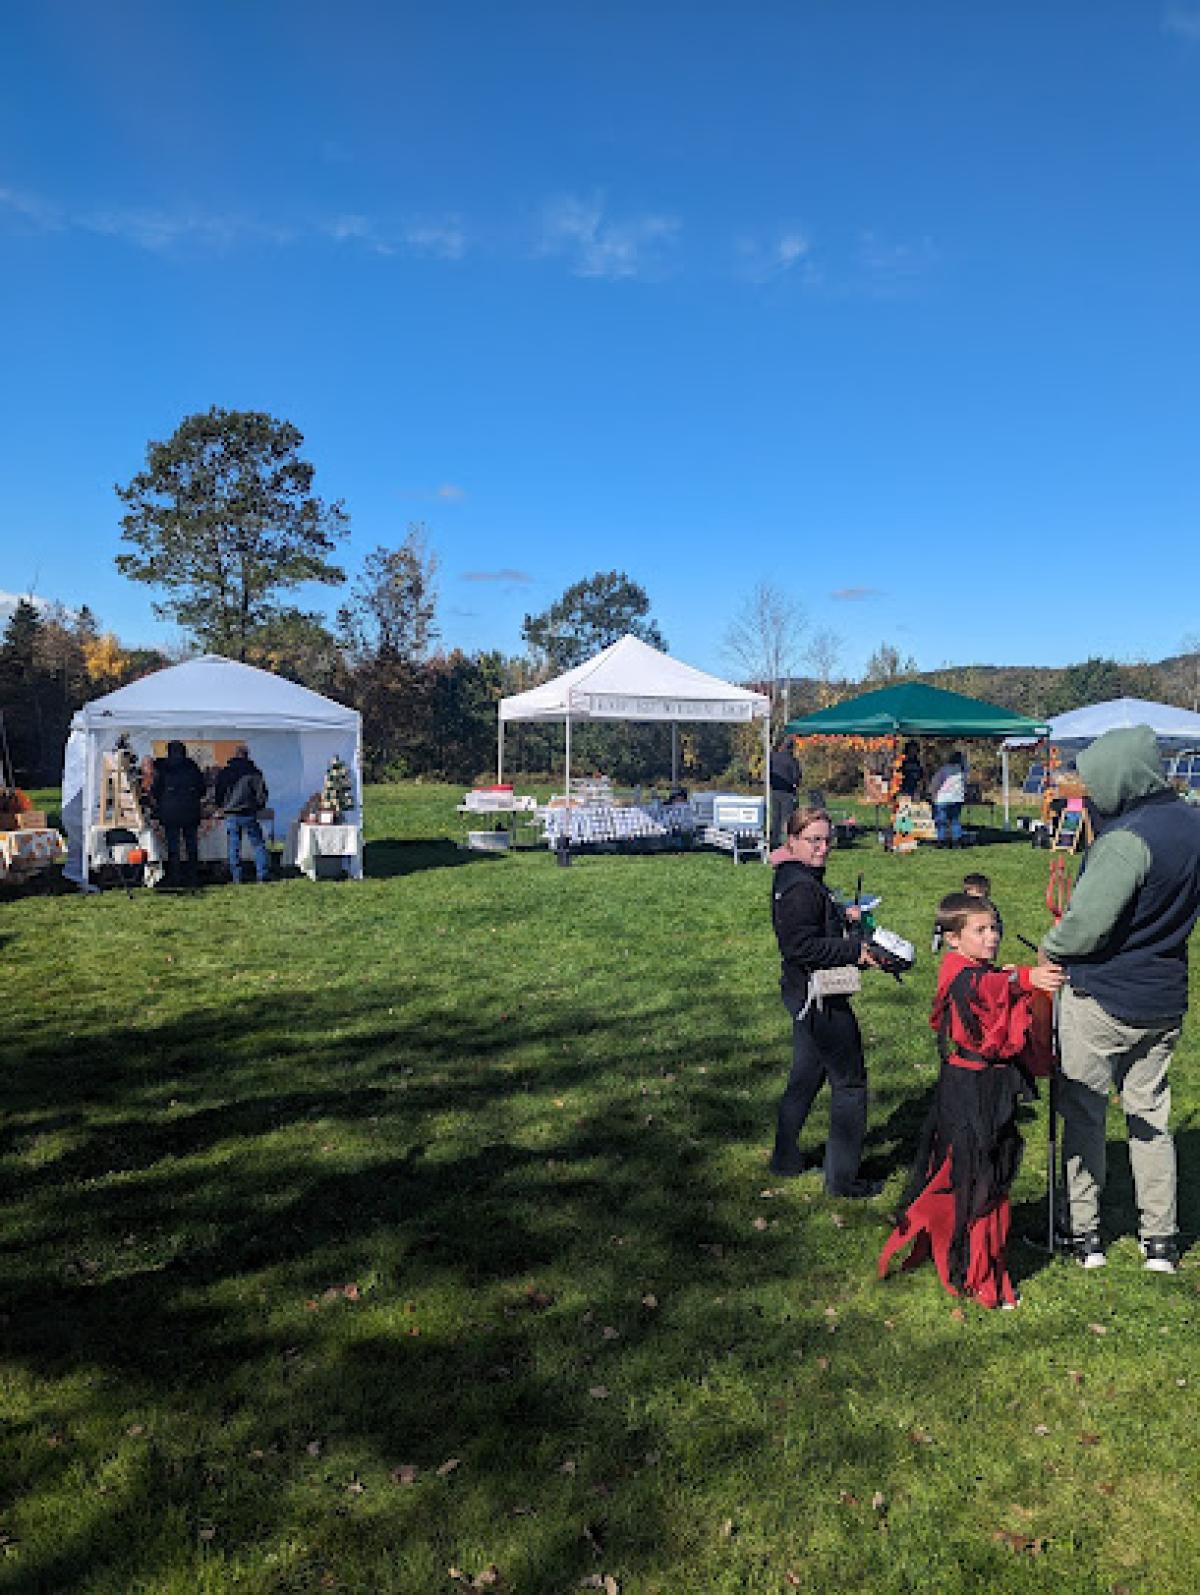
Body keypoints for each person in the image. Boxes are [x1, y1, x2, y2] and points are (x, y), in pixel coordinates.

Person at [1040, 724, 1200, 1274]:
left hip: (1102, 996)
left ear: (1118, 775)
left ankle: (1085, 1235)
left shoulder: (1126, 840)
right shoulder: (1192, 823)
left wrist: (1050, 948)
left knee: (1084, 1112)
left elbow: (1086, 925)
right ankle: (1160, 1240)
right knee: (1151, 1119)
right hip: (1164, 996)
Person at [878, 893, 1063, 1308]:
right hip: (968, 1089)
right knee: (974, 1175)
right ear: (952, 939)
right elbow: (983, 989)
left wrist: (1025, 981)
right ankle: (971, 1269)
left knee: (990, 1169)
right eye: (980, 930)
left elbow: (998, 986)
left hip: (991, 1087)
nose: (992, 936)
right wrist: (1021, 980)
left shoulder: (983, 969)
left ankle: (980, 1254)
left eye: (994, 928)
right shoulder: (961, 975)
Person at [769, 805, 882, 1198]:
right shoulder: (800, 886)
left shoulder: (796, 876)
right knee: (850, 1084)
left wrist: (839, 913)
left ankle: (784, 1158)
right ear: (793, 841)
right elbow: (800, 945)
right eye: (813, 840)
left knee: (806, 1074)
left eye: (826, 840)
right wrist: (855, 951)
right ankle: (843, 1179)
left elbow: (809, 928)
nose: (822, 848)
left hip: (801, 995)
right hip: (820, 998)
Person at [150, 739, 207, 889]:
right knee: (191, 845)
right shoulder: (192, 767)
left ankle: (175, 876)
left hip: (170, 811)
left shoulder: (162, 767)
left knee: (173, 846)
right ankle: (192, 877)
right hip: (190, 810)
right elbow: (202, 789)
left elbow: (155, 790)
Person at [215, 743, 270, 885]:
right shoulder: (255, 773)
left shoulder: (226, 772)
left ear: (234, 755)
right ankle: (262, 875)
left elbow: (219, 792)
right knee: (258, 844)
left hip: (231, 813)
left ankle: (237, 877)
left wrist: (221, 806)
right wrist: (258, 807)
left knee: (234, 846)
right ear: (247, 755)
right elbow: (262, 795)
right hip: (248, 813)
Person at [769, 737, 802, 849]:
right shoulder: (792, 760)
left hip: (774, 791)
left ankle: (773, 842)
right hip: (788, 793)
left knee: (775, 818)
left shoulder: (773, 757)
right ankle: (788, 843)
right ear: (791, 747)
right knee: (787, 819)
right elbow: (796, 777)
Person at [929, 750, 967, 848]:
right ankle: (957, 841)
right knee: (955, 820)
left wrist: (932, 793)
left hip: (943, 798)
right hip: (957, 798)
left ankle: (942, 841)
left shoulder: (944, 769)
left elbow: (935, 783)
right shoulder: (963, 771)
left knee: (941, 821)